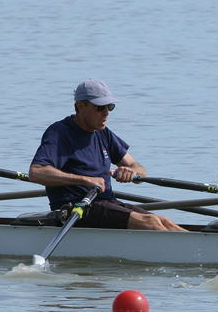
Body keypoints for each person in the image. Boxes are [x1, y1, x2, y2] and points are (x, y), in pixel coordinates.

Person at [28, 81, 186, 232]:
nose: (106, 113)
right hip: (76, 209)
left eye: (110, 107)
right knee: (149, 223)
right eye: (100, 107)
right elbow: (37, 172)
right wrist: (84, 180)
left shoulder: (104, 134)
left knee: (165, 221)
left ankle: (201, 252)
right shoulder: (60, 133)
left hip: (106, 204)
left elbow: (138, 167)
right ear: (80, 106)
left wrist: (132, 172)